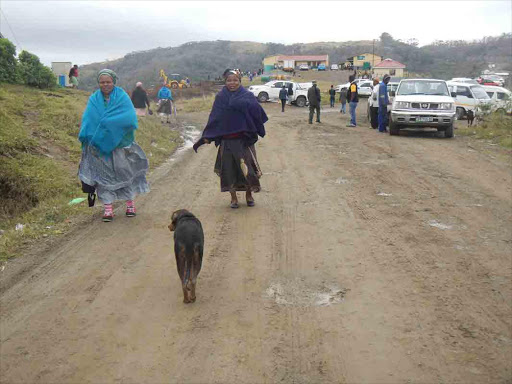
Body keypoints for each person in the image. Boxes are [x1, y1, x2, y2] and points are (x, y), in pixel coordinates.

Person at [78, 69, 150, 222]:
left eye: (108, 82)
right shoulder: (94, 99)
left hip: (120, 144)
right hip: (99, 147)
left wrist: (107, 123)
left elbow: (129, 118)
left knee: (124, 172)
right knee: (103, 176)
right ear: (99, 83)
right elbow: (88, 119)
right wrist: (90, 138)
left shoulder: (122, 97)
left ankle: (130, 204)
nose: (105, 85)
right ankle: (108, 208)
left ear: (114, 82)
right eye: (102, 82)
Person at [192, 69, 267, 209]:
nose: (232, 83)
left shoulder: (248, 96)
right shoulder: (221, 97)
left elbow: (257, 112)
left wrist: (245, 105)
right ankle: (233, 198)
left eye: (235, 80)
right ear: (225, 81)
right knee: (229, 170)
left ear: (240, 81)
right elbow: (215, 117)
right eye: (229, 80)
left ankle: (248, 195)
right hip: (227, 141)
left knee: (248, 170)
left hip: (244, 141)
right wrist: (208, 136)